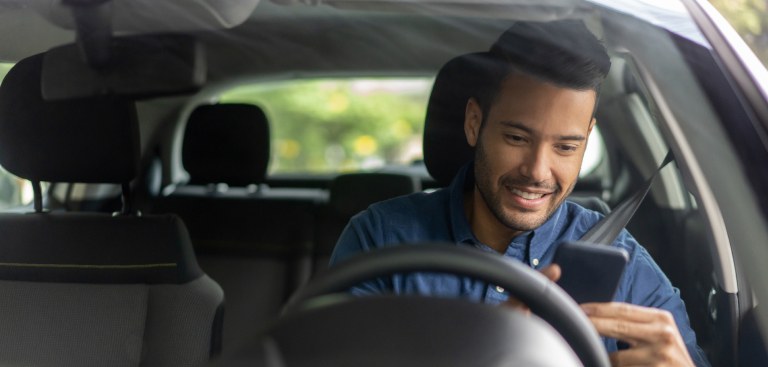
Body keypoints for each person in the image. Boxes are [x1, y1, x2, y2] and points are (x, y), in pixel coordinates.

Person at [330, 20, 709, 367]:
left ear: (586, 138)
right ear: (475, 123)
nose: (537, 171)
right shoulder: (380, 240)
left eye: (565, 147)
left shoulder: (621, 262)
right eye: (517, 138)